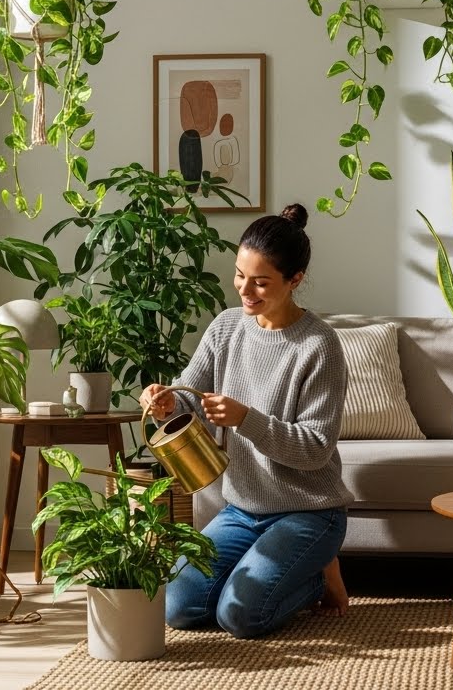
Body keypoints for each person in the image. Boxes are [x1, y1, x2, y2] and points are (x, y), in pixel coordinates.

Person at [140, 203, 352, 639]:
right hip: (242, 509)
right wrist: (165, 402)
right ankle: (278, 565)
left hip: (309, 511)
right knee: (178, 607)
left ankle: (318, 576)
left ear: (294, 281)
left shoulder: (319, 345)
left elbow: (315, 449)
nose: (244, 290)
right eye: (240, 274)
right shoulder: (226, 328)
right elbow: (187, 401)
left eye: (260, 282)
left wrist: (246, 419)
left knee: (240, 618)